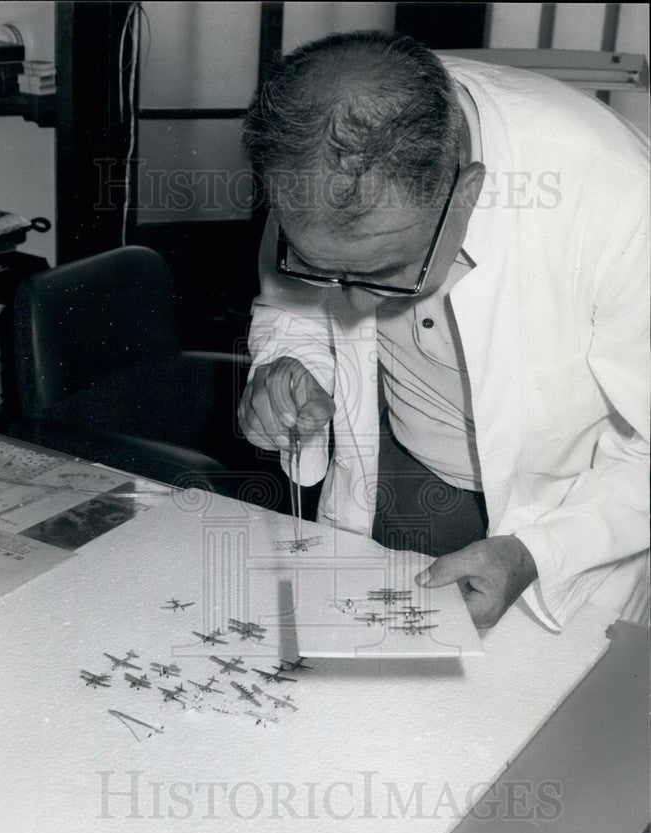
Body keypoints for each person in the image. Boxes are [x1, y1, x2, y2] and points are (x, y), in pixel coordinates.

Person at [237, 30, 649, 631]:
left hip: (575, 509)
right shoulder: (320, 155)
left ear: (467, 193)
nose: (348, 304)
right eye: (324, 269)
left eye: (380, 274)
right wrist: (286, 368)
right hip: (405, 473)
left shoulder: (621, 204)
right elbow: (290, 310)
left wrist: (542, 552)